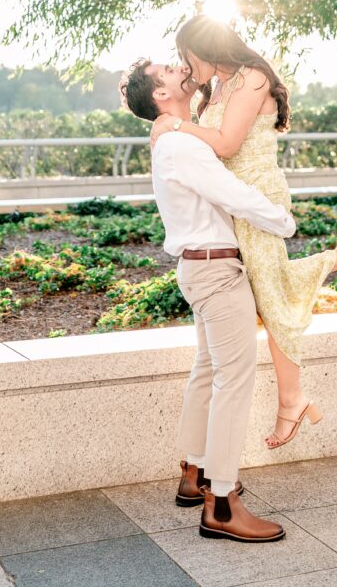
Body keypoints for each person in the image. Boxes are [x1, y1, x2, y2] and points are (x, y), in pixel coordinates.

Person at [149, 15, 337, 449]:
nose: (185, 66)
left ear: (205, 47)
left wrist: (174, 124)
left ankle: (292, 400)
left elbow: (225, 144)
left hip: (257, 198)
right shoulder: (218, 88)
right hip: (232, 201)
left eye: (187, 55)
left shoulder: (253, 79)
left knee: (271, 294)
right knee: (269, 291)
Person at [121, 58, 299, 541]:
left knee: (207, 370)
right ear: (160, 95)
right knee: (234, 381)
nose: (181, 68)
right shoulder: (180, 143)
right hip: (216, 270)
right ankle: (221, 503)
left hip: (202, 267)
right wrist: (283, 221)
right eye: (168, 70)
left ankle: (193, 473)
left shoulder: (177, 137)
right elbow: (233, 192)